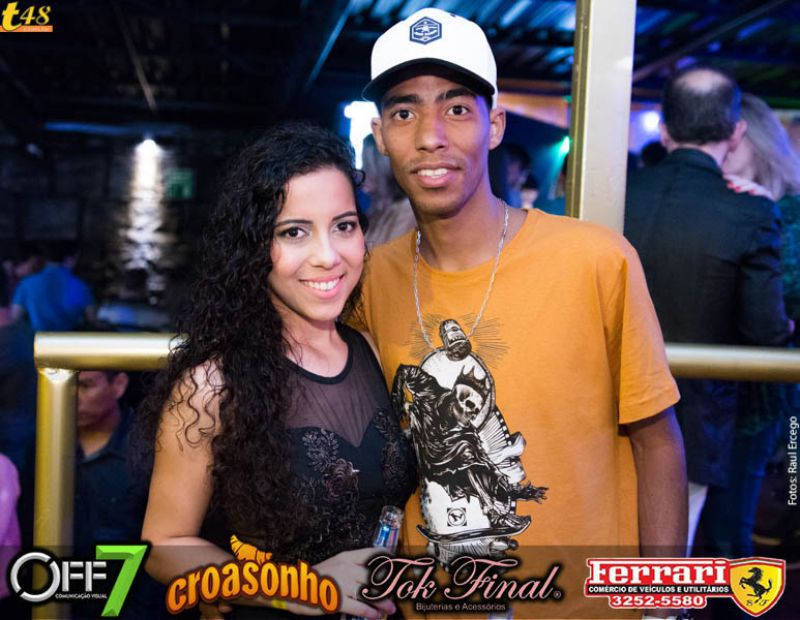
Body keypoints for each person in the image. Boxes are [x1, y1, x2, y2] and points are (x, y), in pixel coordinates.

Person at [358, 8, 686, 619]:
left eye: (458, 109)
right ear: (380, 135)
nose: (430, 135)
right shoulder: (371, 278)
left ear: (495, 126)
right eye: (404, 113)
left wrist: (665, 607)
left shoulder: (596, 259)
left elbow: (658, 442)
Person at [138, 123, 416, 619]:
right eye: (294, 232)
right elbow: (163, 546)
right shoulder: (211, 385)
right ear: (254, 246)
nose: (328, 256)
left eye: (344, 226)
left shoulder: (372, 350)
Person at [625, 68, 793, 553]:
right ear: (735, 132)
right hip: (694, 421)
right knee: (666, 565)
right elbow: (766, 333)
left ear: (664, 131)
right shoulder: (749, 211)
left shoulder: (617, 195)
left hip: (606, 410)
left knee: (606, 557)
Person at [702, 94, 800, 559]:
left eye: (730, 146)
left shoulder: (788, 210)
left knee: (737, 524)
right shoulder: (722, 205)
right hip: (713, 392)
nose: (720, 158)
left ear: (756, 143)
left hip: (767, 396)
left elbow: (782, 297)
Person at [73, 369, 168, 619]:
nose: (72, 396)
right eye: (66, 385)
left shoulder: (151, 449)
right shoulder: (44, 445)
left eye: (85, 385)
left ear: (119, 385)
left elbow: (165, 548)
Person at [10, 240, 96, 331]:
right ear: (70, 259)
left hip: (38, 337)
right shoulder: (80, 285)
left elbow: (15, 316)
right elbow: (92, 319)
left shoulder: (27, 283)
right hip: (69, 337)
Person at [361, 134, 416, 247]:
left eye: (367, 164)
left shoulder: (408, 211)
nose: (362, 170)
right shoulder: (376, 208)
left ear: (384, 168)